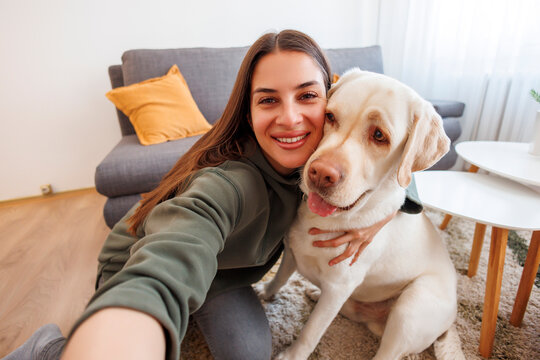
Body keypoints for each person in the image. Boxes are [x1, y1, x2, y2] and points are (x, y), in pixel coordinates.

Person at [4, 29, 421, 360]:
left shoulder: (324, 153)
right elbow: (172, 253)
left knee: (249, 352)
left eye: (308, 96)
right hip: (142, 260)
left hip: (224, 270)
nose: (291, 118)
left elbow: (394, 160)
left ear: (330, 101)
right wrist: (127, 326)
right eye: (268, 100)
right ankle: (48, 349)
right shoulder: (230, 183)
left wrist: (382, 217)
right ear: (248, 111)